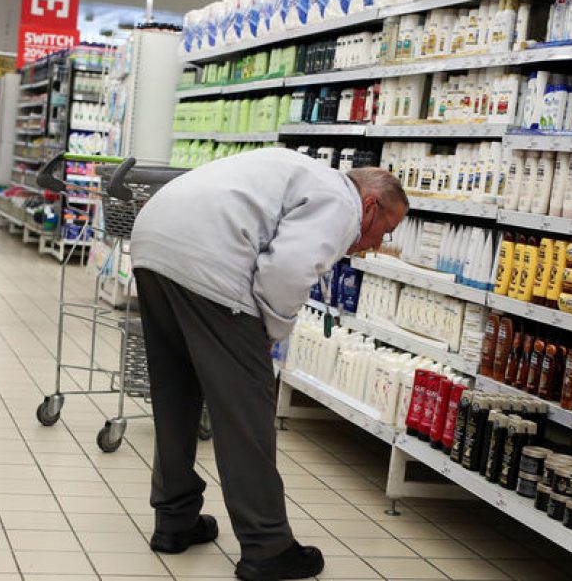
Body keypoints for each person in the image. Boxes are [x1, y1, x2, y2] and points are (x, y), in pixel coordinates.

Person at [129, 148, 408, 581]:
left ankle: (175, 519)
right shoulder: (341, 201)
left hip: (154, 243)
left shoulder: (303, 174)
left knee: (176, 394)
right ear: (370, 203)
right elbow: (287, 270)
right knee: (248, 410)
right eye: (384, 230)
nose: (375, 245)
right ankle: (267, 546)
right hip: (209, 260)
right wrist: (268, 335)